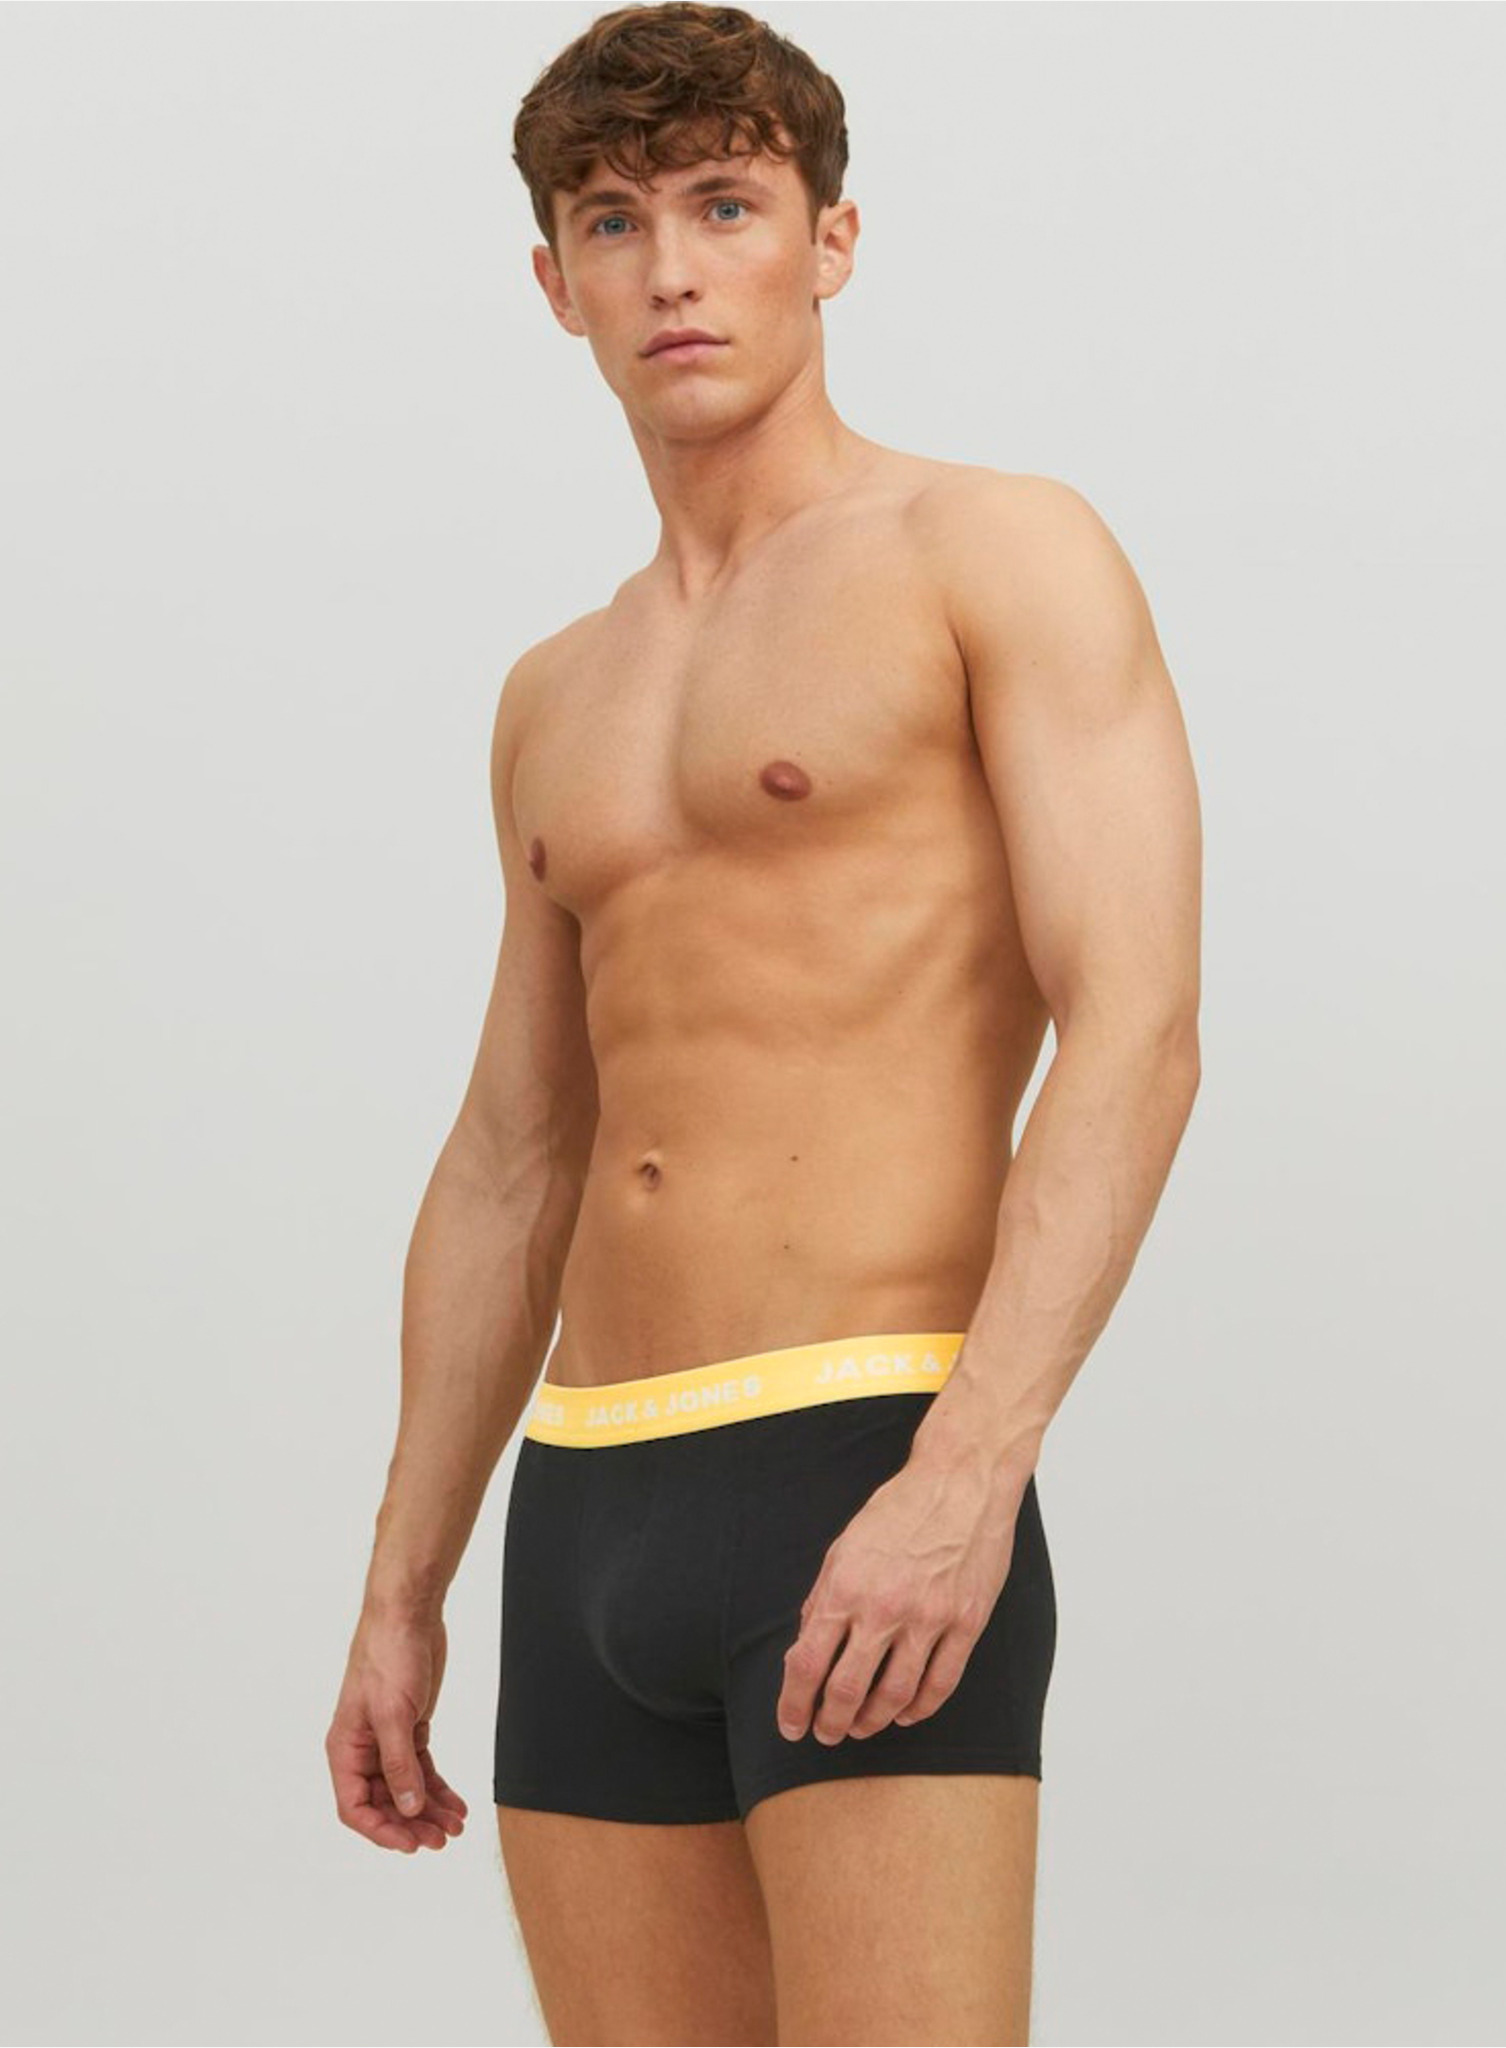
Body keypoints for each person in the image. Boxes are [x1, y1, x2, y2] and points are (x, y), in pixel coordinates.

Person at [324, 4, 1202, 2041]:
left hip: (865, 1449)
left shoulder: (992, 552)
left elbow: (1138, 1025)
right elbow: (513, 1154)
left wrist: (968, 1476)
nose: (672, 269)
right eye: (612, 221)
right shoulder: (555, 692)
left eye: (726, 204)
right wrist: (403, 1585)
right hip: (586, 1498)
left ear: (832, 239)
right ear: (554, 282)